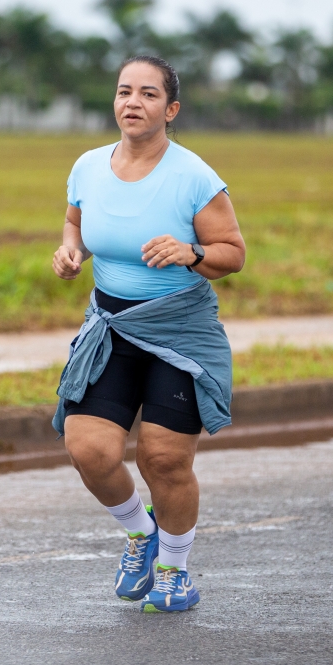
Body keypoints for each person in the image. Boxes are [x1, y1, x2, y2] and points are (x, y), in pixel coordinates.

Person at [51, 55, 246, 613]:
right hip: (111, 327)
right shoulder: (89, 166)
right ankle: (142, 533)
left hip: (178, 331)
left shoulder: (193, 177)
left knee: (163, 460)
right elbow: (76, 222)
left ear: (171, 109)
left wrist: (192, 251)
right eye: (124, 91)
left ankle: (175, 572)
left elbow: (233, 253)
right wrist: (71, 250)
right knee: (89, 450)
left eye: (148, 94)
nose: (133, 102)